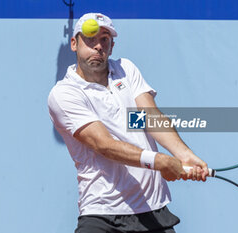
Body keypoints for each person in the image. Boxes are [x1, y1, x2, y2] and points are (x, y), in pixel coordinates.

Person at [48, 12, 209, 233]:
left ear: (112, 46)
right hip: (102, 214)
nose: (98, 46)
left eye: (104, 39)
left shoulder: (126, 70)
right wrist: (160, 161)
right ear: (74, 43)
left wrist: (184, 154)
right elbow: (103, 144)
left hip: (152, 211)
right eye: (90, 39)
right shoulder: (64, 94)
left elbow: (150, 119)